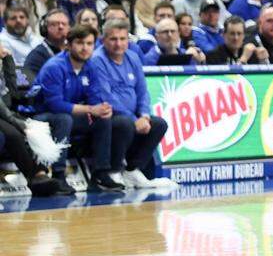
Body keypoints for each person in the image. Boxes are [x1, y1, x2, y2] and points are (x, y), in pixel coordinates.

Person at [30, 24, 122, 192]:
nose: (85, 48)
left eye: (89, 43)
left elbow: (94, 98)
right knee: (64, 119)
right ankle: (58, 175)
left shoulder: (90, 66)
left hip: (69, 115)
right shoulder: (54, 67)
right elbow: (55, 105)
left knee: (103, 119)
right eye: (80, 43)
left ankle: (101, 173)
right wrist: (89, 109)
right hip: (41, 117)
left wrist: (102, 108)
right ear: (69, 45)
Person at [91, 19, 173, 188]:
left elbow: (143, 91)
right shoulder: (97, 60)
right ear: (103, 40)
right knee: (124, 123)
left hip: (135, 116)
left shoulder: (133, 57)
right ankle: (114, 170)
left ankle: (132, 170)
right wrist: (134, 119)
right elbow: (106, 96)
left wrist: (144, 115)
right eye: (113, 39)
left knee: (159, 124)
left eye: (122, 39)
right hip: (108, 115)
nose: (118, 44)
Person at [0, 44, 72, 196]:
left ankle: (45, 173)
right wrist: (17, 123)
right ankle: (35, 175)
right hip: (3, 114)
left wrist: (7, 59)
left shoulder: (3, 63)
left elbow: (14, 91)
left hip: (7, 112)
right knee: (14, 133)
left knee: (36, 125)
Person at [22, 8, 69, 85]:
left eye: (64, 24)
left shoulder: (73, 52)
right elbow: (27, 87)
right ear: (44, 28)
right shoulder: (36, 56)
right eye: (55, 24)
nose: (61, 27)